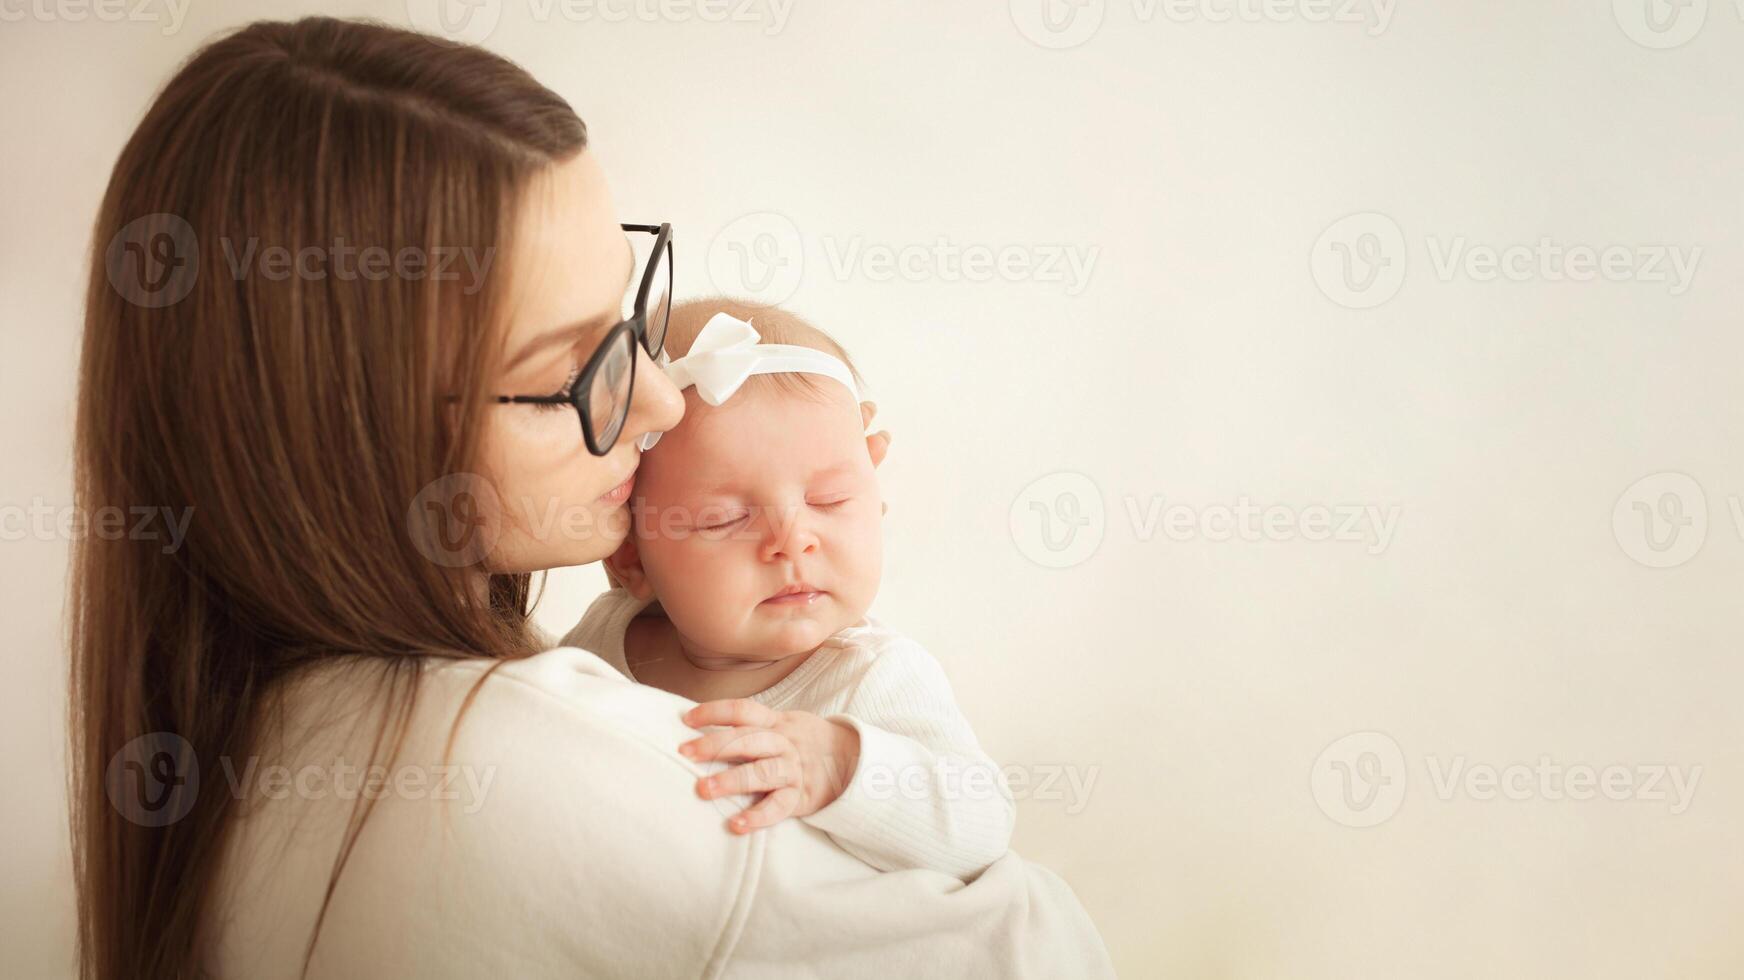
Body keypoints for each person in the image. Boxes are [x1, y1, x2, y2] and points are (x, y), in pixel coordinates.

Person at [69, 16, 1113, 978]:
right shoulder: (518, 769)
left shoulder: (255, 741)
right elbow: (1046, 953)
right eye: (573, 364)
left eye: (625, 315)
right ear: (356, 439)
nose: (659, 399)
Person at [562, 299, 1014, 881]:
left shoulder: (873, 677)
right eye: (723, 518)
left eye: (829, 501)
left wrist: (843, 768)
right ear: (631, 555)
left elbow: (984, 827)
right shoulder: (603, 641)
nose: (793, 541)